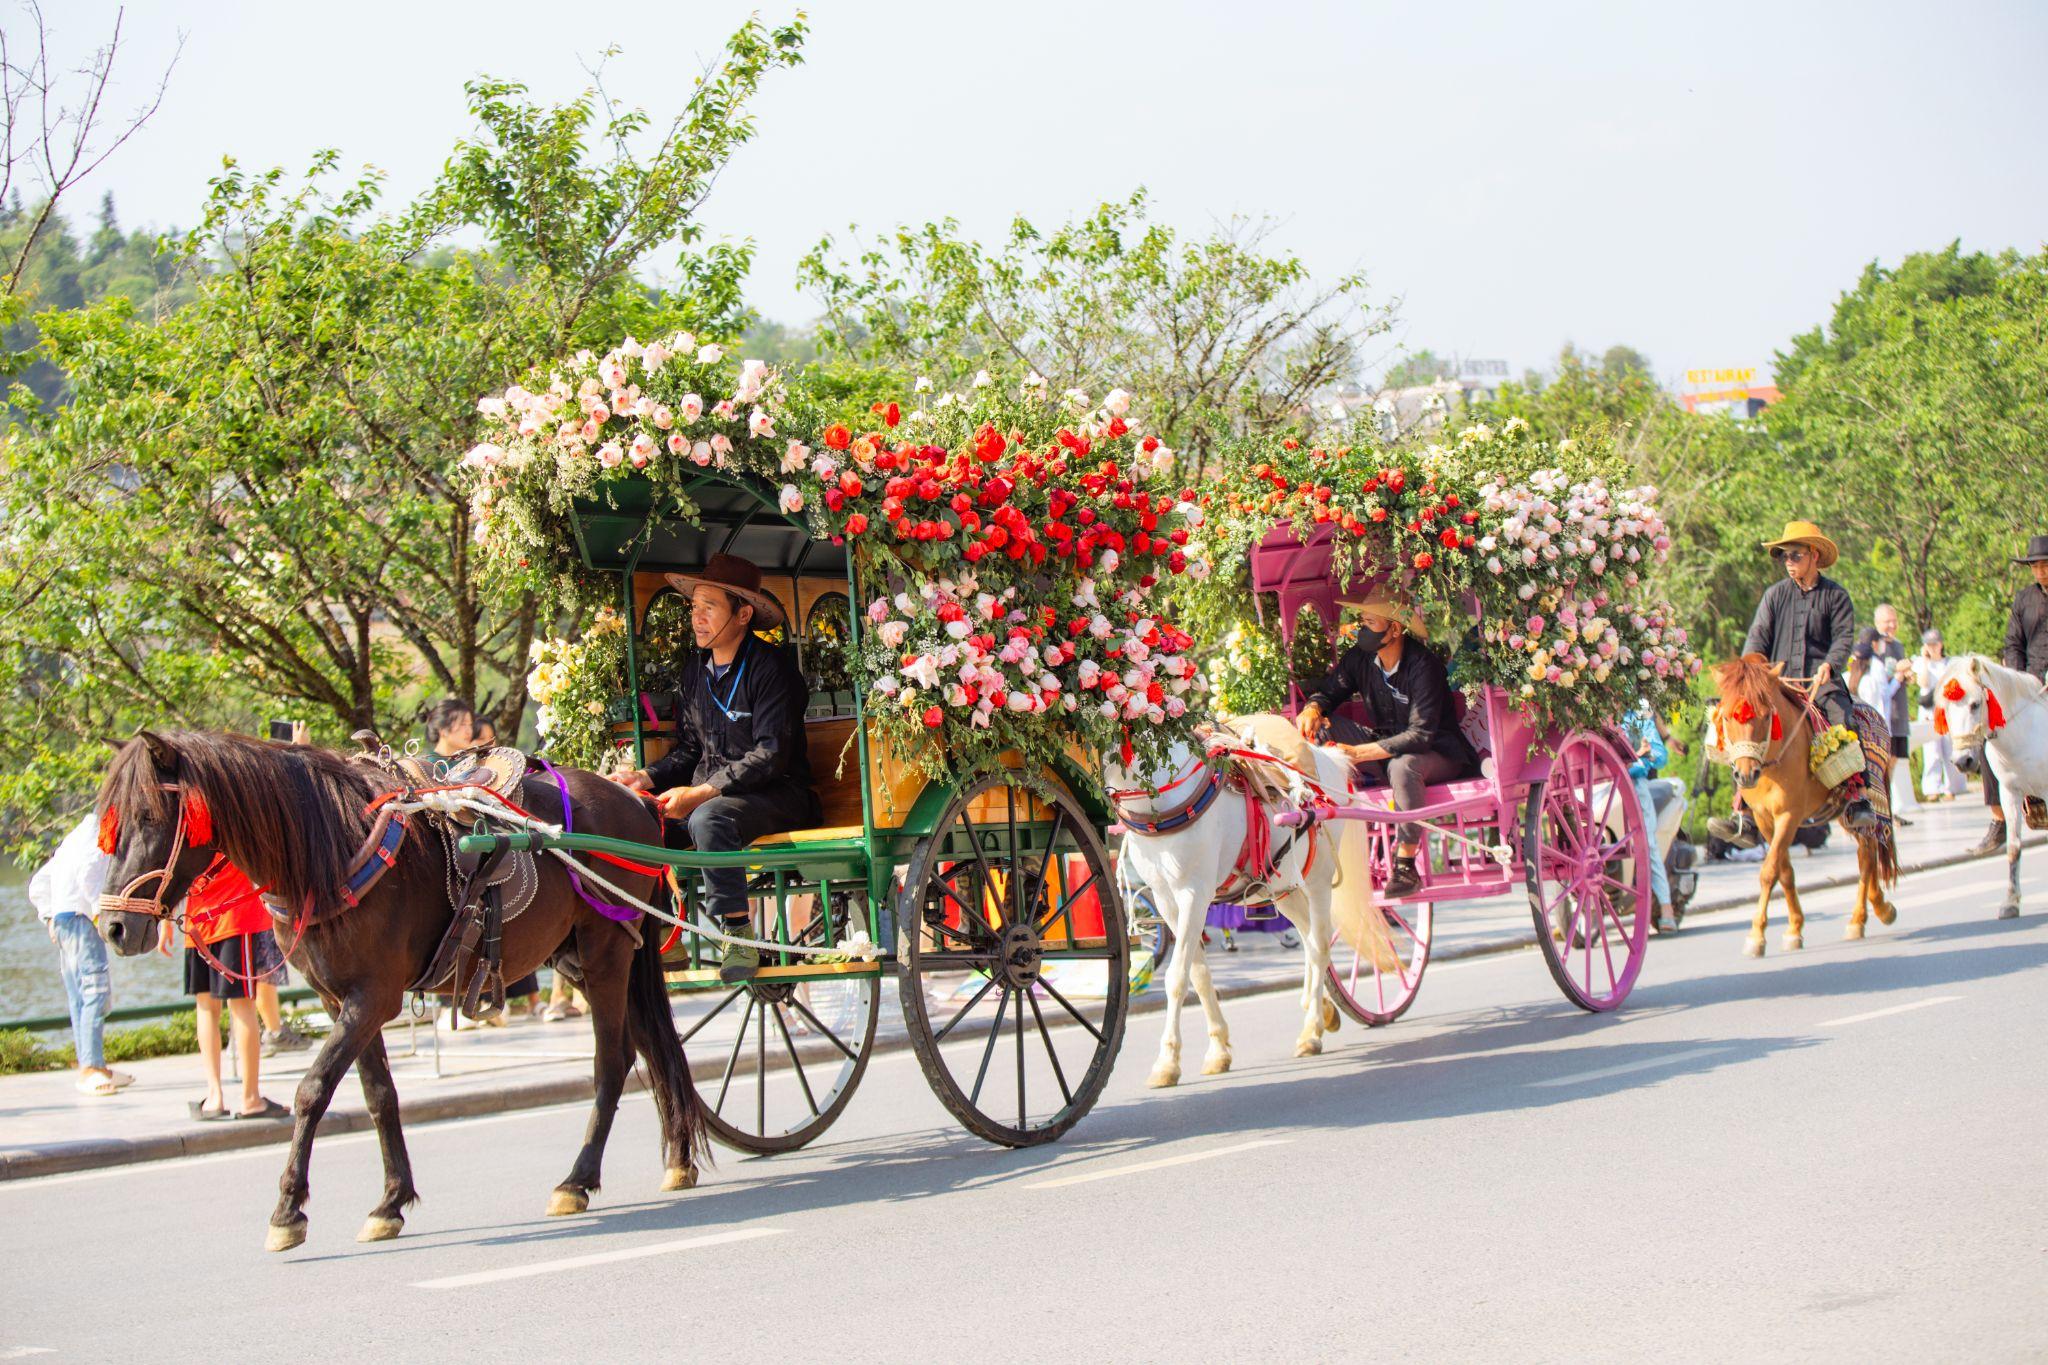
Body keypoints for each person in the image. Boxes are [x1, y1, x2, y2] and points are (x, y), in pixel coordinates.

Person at [614, 554, 820, 982]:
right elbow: (691, 750)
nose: (697, 617)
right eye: (694, 606)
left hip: (780, 794)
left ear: (743, 614)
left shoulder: (772, 669)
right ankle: (662, 930)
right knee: (639, 818)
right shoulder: (695, 672)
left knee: (708, 819)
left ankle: (738, 933)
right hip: (715, 796)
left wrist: (704, 792)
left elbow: (771, 753)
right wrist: (646, 778)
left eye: (709, 607)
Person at [1297, 592, 1479, 899]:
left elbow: (1420, 735)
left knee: (1403, 766)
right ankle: (1328, 836)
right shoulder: (1361, 658)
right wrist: (1313, 709)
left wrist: (1358, 753)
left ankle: (1406, 863)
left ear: (1394, 629)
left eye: (1370, 622)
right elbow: (1330, 692)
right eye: (1362, 621)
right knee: (1323, 730)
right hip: (1383, 744)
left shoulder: (1424, 666)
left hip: (1436, 753)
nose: (1362, 629)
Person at [1725, 520, 1881, 834]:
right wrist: (1750, 671)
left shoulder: (1836, 596)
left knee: (1844, 718)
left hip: (1820, 683)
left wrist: (1830, 665)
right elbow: (1757, 639)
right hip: (1779, 684)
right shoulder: (1774, 596)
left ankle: (1857, 795)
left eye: (1795, 555)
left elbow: (1842, 639)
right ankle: (1741, 805)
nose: (1788, 562)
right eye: (1784, 556)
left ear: (1813, 555)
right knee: (1741, 722)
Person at [28, 814, 133, 1097]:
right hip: (82, 918)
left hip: (65, 918)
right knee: (95, 993)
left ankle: (93, 1064)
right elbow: (90, 872)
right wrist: (100, 913)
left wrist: (49, 916)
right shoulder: (100, 830)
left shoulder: (73, 837)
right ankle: (91, 1069)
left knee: (79, 996)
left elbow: (39, 882)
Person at [182, 859, 289, 1121]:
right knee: (242, 1006)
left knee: (206, 1007)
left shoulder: (186, 821)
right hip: (234, 913)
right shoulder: (232, 818)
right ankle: (250, 1098)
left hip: (196, 919)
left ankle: (214, 1095)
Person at [1973, 534, 2048, 854]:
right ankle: (1999, 818)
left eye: (2045, 565)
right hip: (2028, 683)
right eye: (2035, 566)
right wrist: (2016, 679)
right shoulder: (2023, 600)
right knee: (1992, 734)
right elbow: (2013, 643)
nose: (2041, 572)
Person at [1620, 703, 1678, 933]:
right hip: (1600, 786)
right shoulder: (1590, 712)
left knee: (1648, 844)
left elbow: (1660, 756)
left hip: (1634, 785)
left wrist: (1644, 755)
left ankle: (1666, 907)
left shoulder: (1636, 714)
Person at [1871, 605, 1918, 818]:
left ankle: (1889, 807)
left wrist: (1907, 676)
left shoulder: (1898, 645)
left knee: (1895, 760)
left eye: (1894, 620)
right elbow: (1877, 680)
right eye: (1886, 621)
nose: (1891, 625)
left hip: (1900, 712)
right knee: (1884, 762)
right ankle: (1882, 808)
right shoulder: (1876, 648)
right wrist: (1898, 672)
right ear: (1877, 624)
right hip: (1884, 715)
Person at [1912, 628, 1966, 801]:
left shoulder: (1951, 662)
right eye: (1929, 645)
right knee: (1932, 751)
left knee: (1950, 748)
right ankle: (1932, 788)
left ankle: (1952, 787)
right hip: (1930, 710)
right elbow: (1923, 682)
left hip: (1948, 708)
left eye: (1935, 644)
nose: (1933, 648)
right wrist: (1926, 661)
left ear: (1941, 644)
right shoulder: (1921, 663)